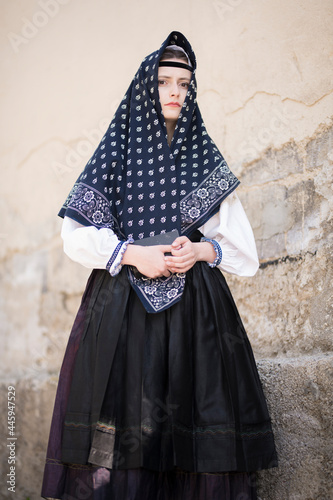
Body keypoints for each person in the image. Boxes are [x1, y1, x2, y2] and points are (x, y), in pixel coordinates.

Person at [41, 31, 277, 500]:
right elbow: (74, 236)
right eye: (164, 81)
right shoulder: (116, 154)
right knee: (130, 422)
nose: (174, 91)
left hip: (198, 316)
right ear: (145, 88)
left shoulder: (203, 159)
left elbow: (245, 253)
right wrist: (131, 254)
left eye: (184, 84)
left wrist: (201, 250)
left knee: (196, 413)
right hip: (123, 311)